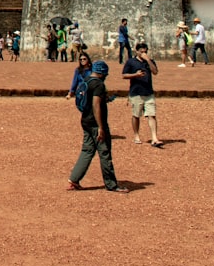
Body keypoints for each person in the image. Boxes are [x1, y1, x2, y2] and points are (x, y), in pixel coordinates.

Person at [68, 60, 129, 193]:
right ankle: (111, 184)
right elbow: (96, 105)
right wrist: (101, 127)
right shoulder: (98, 85)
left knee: (87, 150)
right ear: (102, 73)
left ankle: (74, 178)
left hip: (85, 121)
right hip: (95, 123)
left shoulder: (87, 80)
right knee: (104, 152)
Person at [122, 42, 162, 147]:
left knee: (152, 115)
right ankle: (136, 135)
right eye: (141, 51)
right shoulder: (131, 62)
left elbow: (155, 72)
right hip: (136, 92)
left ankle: (154, 137)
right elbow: (124, 75)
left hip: (149, 92)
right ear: (137, 51)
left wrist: (148, 60)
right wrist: (136, 75)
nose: (143, 53)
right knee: (136, 115)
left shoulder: (150, 61)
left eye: (145, 51)